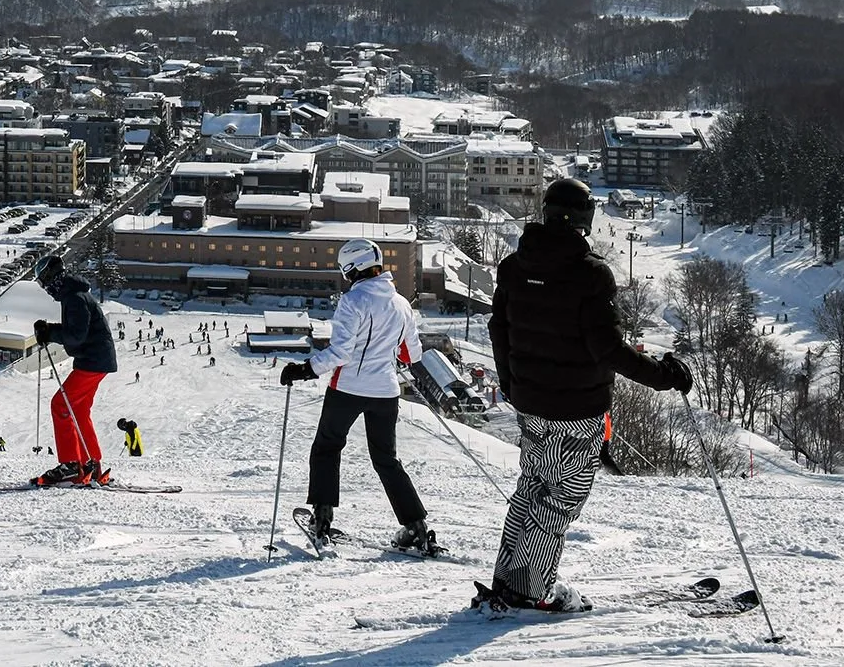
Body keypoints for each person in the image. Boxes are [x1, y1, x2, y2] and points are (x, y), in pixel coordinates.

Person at [479, 177, 693, 615]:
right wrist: (665, 377)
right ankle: (533, 588)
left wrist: (513, 384)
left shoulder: (513, 267)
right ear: (584, 219)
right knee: (560, 499)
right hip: (577, 410)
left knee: (532, 488)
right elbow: (607, 348)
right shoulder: (590, 273)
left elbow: (498, 330)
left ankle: (510, 578)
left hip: (531, 404)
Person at [280, 238, 437, 555]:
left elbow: (341, 353)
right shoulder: (401, 303)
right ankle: (416, 528)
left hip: (348, 389)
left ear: (351, 268)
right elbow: (411, 355)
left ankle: (322, 521)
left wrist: (305, 369)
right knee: (386, 460)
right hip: (386, 393)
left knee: (327, 447)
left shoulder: (353, 302)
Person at [31, 253, 118, 486]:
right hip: (95, 359)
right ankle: (92, 465)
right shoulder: (73, 295)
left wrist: (50, 332)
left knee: (60, 405)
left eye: (43, 282)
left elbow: (76, 336)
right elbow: (76, 331)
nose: (44, 288)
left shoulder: (75, 298)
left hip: (93, 360)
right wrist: (49, 330)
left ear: (53, 278)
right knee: (76, 411)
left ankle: (71, 465)